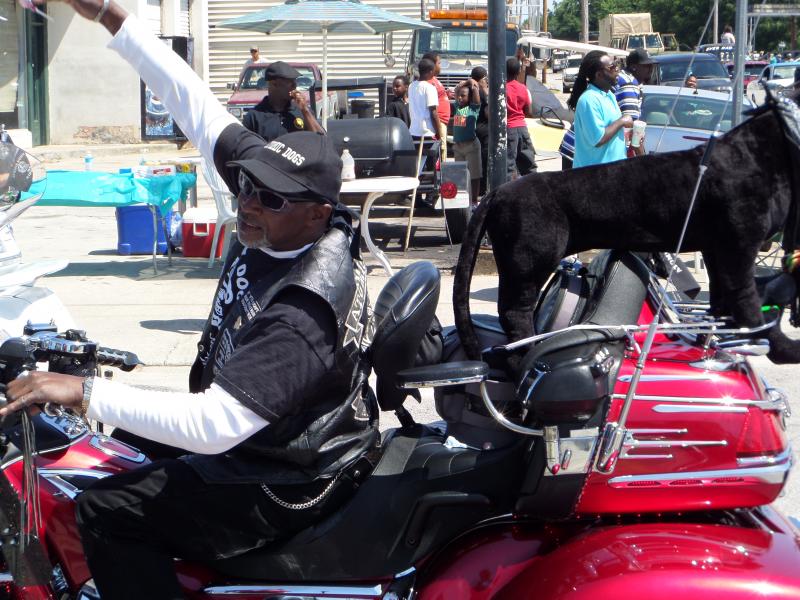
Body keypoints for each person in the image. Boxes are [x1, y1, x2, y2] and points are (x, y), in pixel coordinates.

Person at [0, 1, 378, 598]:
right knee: (104, 449)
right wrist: (110, 15)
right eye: (247, 186)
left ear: (318, 215)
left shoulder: (305, 304)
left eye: (271, 199)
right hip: (273, 434)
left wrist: (82, 390)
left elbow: (215, 424)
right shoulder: (274, 209)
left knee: (104, 509)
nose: (248, 204)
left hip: (288, 473)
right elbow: (193, 102)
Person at [567, 51, 631, 168]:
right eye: (612, 67)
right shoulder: (589, 99)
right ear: (599, 74)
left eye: (617, 64)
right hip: (594, 173)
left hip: (615, 170)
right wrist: (622, 121)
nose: (617, 70)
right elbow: (598, 139)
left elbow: (611, 128)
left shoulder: (609, 95)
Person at [242, 61, 324, 142]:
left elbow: (321, 141)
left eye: (295, 81)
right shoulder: (254, 117)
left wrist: (305, 110)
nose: (295, 85)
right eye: (289, 81)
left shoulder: (302, 111)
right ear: (274, 84)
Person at [615, 48, 655, 156]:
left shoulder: (626, 78)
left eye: (652, 65)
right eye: (647, 66)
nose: (651, 69)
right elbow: (633, 128)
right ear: (633, 67)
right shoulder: (629, 84)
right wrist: (643, 158)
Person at [451, 78, 482, 206]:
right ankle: (463, 199)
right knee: (460, 174)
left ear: (469, 98)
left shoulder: (473, 109)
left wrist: (471, 83)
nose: (459, 98)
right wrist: (465, 83)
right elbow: (457, 89)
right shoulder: (457, 107)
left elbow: (476, 91)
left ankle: (474, 201)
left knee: (474, 175)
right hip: (458, 146)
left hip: (471, 146)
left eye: (463, 96)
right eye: (459, 96)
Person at [506, 57, 536, 179]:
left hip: (509, 128)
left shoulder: (502, 89)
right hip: (523, 129)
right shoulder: (523, 88)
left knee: (509, 166)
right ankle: (533, 186)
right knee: (528, 163)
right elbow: (529, 112)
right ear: (519, 72)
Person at [422, 51, 451, 159]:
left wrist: (446, 94)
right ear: (432, 65)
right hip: (439, 123)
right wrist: (438, 130)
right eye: (439, 63)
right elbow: (432, 109)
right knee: (441, 151)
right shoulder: (429, 83)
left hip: (442, 122)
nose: (440, 66)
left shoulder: (434, 80)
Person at [408, 58, 441, 142]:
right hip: (427, 132)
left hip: (413, 131)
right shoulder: (430, 88)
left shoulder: (411, 86)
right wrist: (439, 133)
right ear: (430, 71)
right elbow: (434, 113)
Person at [471, 66, 490, 194]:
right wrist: (486, 91)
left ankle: (476, 188)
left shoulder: (468, 89)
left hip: (471, 129)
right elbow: (488, 114)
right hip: (484, 130)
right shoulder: (483, 92)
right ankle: (483, 188)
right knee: (484, 160)